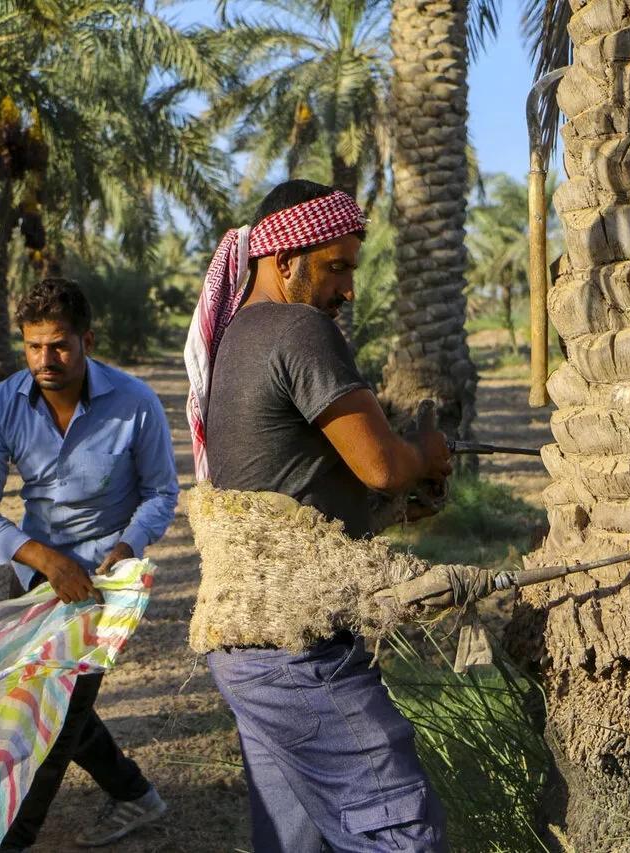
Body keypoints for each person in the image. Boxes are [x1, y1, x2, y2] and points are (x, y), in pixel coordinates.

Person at [184, 180, 453, 852]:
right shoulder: (300, 328)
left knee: (294, 842)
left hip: (249, 651)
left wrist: (395, 498)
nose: (348, 290)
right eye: (336, 267)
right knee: (402, 831)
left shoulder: (241, 336)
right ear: (285, 260)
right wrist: (424, 454)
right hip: (298, 651)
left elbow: (298, 485)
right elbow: (381, 465)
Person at [0, 277, 180, 851]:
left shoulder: (135, 403)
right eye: (33, 346)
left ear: (87, 340)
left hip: (103, 584)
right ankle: (134, 792)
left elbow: (161, 492)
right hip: (34, 576)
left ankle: (14, 839)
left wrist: (126, 549)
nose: (44, 360)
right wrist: (43, 560)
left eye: (58, 345)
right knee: (32, 696)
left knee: (53, 717)